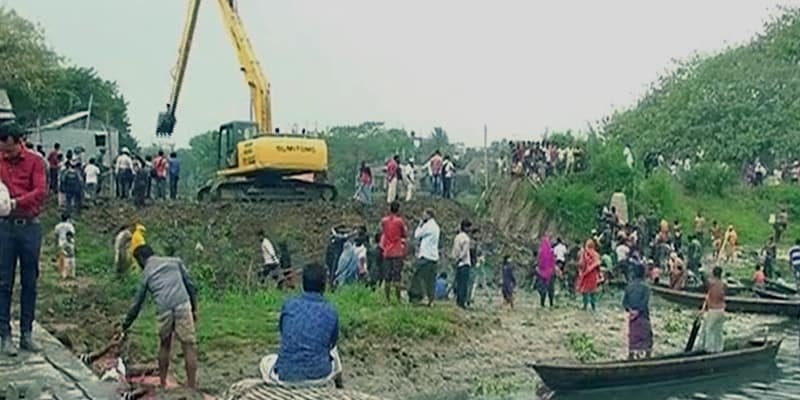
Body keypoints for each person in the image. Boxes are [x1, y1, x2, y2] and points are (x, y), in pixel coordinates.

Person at [121, 245, 199, 389]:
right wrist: (194, 309)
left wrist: (126, 324)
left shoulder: (146, 273)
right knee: (188, 346)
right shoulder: (175, 262)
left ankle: (163, 383)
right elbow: (191, 286)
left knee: (165, 345)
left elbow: (137, 303)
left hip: (164, 309)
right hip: (182, 304)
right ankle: (192, 386)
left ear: (141, 259)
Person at [0, 121, 47, 355]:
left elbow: (40, 191)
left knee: (30, 281)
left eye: (9, 150)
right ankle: (5, 335)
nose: (6, 154)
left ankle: (26, 333)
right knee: (3, 282)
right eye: (3, 150)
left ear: (20, 142)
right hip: (4, 228)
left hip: (29, 227)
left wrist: (16, 202)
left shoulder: (35, 161)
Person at [268, 262, 342, 384]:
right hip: (319, 376)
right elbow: (332, 343)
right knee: (334, 354)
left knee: (267, 361)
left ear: (303, 283)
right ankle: (339, 386)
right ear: (324, 285)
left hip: (286, 375)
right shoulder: (331, 311)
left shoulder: (289, 305)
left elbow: (283, 332)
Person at [622, 260, 652, 359]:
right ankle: (647, 357)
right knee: (646, 337)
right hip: (643, 315)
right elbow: (645, 302)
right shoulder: (646, 287)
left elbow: (624, 303)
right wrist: (638, 311)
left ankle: (631, 355)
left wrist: (631, 311)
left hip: (632, 317)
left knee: (633, 336)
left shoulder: (629, 286)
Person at [410, 209, 440, 306]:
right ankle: (431, 300)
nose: (422, 216)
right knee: (431, 280)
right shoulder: (436, 226)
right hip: (434, 256)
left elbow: (416, 235)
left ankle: (417, 297)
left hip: (426, 255)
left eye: (424, 215)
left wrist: (420, 224)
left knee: (418, 277)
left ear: (429, 215)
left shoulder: (428, 226)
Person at [380, 201, 407, 303]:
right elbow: (404, 234)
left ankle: (387, 299)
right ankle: (398, 299)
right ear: (398, 210)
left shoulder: (384, 221)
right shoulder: (399, 221)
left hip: (387, 252)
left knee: (387, 277)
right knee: (397, 277)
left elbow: (383, 231)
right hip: (397, 252)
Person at [698, 266, 726, 353]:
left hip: (713, 310)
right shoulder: (723, 284)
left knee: (709, 330)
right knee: (718, 331)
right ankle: (719, 349)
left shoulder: (711, 283)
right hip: (722, 310)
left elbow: (705, 281)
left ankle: (709, 349)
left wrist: (702, 273)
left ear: (713, 274)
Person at [451, 219, 472, 309]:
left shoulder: (457, 237)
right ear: (466, 227)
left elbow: (454, 250)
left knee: (459, 283)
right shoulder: (466, 239)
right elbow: (464, 251)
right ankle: (461, 302)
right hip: (464, 263)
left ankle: (458, 301)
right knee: (464, 284)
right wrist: (459, 259)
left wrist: (454, 259)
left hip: (458, 263)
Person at [577, 239, 601, 311]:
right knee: (592, 291)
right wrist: (599, 274)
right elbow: (598, 265)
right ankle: (593, 306)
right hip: (593, 274)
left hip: (586, 274)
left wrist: (581, 271)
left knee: (584, 290)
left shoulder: (584, 254)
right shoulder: (596, 254)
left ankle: (585, 306)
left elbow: (580, 264)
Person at [53, 213, 76, 279]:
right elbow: (72, 234)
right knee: (70, 258)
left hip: (61, 243)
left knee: (62, 259)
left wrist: (56, 244)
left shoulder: (58, 226)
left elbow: (56, 236)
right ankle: (71, 274)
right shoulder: (70, 226)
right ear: (68, 218)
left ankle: (63, 274)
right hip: (69, 243)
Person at [536, 236, 556, 307]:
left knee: (543, 288)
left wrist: (539, 269)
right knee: (551, 289)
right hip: (551, 273)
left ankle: (542, 303)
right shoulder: (551, 251)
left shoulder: (540, 251)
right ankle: (551, 303)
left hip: (542, 273)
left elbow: (539, 262)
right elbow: (553, 261)